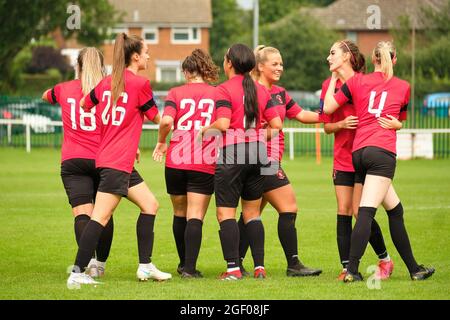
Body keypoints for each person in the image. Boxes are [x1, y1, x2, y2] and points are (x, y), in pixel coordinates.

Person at [324, 40, 435, 282]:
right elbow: (397, 120)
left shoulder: (356, 81)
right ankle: (352, 270)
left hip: (359, 152)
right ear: (393, 59)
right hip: (381, 153)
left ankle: (415, 269)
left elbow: (329, 106)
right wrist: (399, 124)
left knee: (395, 210)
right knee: (365, 212)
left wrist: (333, 78)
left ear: (373, 59)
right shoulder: (403, 86)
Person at [66, 33, 171, 287]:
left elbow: (84, 104)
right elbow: (163, 120)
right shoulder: (140, 84)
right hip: (117, 162)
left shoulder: (105, 83)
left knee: (150, 204)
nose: (148, 56)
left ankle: (145, 266)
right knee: (100, 217)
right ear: (135, 56)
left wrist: (112, 125)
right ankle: (77, 273)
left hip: (112, 159)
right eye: (146, 52)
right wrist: (161, 139)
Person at [238, 45, 322, 277]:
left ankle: (236, 263)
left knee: (250, 213)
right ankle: (293, 264)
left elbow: (303, 115)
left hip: (269, 159)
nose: (280, 68)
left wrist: (332, 114)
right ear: (260, 66)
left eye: (281, 64)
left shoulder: (280, 93)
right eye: (275, 64)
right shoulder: (249, 92)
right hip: (261, 159)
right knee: (289, 207)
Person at [200, 43, 282, 280]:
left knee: (225, 214)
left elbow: (223, 125)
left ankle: (234, 269)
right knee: (252, 214)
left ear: (229, 63)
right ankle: (259, 267)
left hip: (232, 155)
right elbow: (276, 127)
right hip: (258, 153)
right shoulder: (261, 90)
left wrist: (204, 132)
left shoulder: (223, 90)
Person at [321, 40, 401, 280]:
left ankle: (385, 259)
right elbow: (326, 126)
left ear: (346, 56)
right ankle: (347, 268)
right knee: (344, 210)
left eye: (332, 52)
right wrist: (341, 124)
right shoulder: (328, 86)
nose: (328, 57)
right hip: (342, 159)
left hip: (366, 157)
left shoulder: (365, 82)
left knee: (361, 211)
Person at [42, 47, 114, 278]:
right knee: (104, 214)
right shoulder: (109, 91)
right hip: (104, 158)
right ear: (102, 66)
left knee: (82, 215)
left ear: (78, 66)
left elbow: (46, 95)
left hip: (73, 160)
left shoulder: (63, 89)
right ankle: (99, 266)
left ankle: (88, 261)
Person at [152, 49, 219, 278]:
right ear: (204, 69)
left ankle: (182, 264)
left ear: (187, 71)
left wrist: (162, 141)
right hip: (204, 158)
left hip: (176, 160)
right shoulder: (217, 93)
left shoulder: (175, 92)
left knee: (179, 213)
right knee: (195, 215)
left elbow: (167, 121)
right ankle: (189, 268)